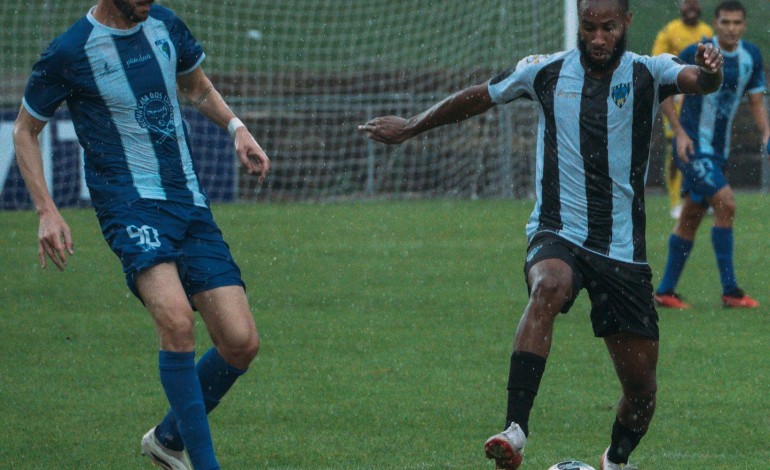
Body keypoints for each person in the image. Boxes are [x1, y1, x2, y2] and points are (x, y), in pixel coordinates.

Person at [358, 0, 723, 468]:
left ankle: (616, 459)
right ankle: (515, 430)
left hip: (621, 249)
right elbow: (480, 96)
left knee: (641, 392)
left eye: (608, 28)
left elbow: (698, 81)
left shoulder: (648, 71)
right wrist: (412, 126)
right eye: (588, 27)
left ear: (627, 23)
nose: (597, 38)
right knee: (548, 284)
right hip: (557, 230)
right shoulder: (546, 71)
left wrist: (710, 71)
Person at [13, 1, 270, 469]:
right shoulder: (71, 51)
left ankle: (167, 440)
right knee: (176, 322)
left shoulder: (164, 23)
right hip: (128, 205)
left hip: (187, 201)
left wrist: (237, 128)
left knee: (240, 342)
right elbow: (25, 131)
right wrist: (46, 210)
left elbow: (196, 87)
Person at [654, 0, 769, 310]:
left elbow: (756, 102)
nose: (731, 28)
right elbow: (663, 88)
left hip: (719, 153)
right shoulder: (697, 52)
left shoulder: (751, 56)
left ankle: (665, 292)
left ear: (744, 25)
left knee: (691, 216)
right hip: (693, 149)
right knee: (726, 203)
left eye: (737, 22)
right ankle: (731, 291)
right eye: (726, 22)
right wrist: (678, 131)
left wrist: (767, 133)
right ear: (716, 24)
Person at [651, 0, 713, 219]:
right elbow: (657, 63)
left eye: (695, 3)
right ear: (681, 5)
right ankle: (675, 202)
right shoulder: (669, 31)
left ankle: (699, 196)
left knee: (701, 147)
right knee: (675, 150)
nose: (691, 7)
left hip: (698, 103)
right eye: (687, 3)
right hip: (676, 102)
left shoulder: (707, 31)